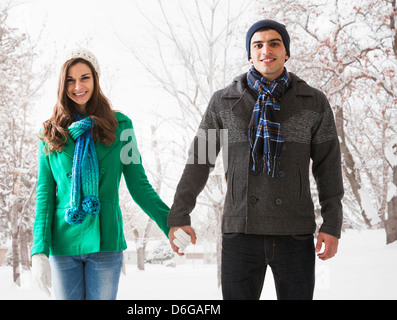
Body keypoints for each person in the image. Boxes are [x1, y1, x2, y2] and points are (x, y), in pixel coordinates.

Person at [168, 19, 344, 300]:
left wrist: (332, 223)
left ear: (286, 52)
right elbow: (199, 160)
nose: (266, 50)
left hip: (295, 232)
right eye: (257, 44)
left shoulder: (313, 101)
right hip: (240, 232)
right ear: (249, 54)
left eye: (275, 43)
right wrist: (179, 214)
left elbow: (329, 167)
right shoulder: (223, 101)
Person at [31, 48, 170, 300]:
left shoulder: (122, 127)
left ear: (96, 79)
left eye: (85, 77)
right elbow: (45, 195)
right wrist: (38, 250)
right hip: (63, 243)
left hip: (104, 240)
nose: (78, 86)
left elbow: (139, 184)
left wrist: (170, 222)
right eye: (70, 80)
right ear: (62, 85)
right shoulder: (49, 133)